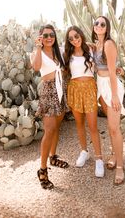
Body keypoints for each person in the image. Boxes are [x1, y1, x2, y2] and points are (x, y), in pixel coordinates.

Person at [30, 24, 69, 190]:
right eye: (45, 35)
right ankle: (43, 169)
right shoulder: (37, 52)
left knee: (57, 126)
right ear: (40, 37)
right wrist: (38, 47)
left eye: (51, 35)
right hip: (48, 91)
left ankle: (53, 156)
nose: (48, 38)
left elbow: (71, 54)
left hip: (60, 88)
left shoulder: (58, 50)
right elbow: (36, 67)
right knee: (50, 129)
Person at [64, 25, 104, 178]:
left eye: (76, 36)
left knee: (93, 126)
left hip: (89, 89)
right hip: (74, 89)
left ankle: (99, 159)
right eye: (71, 38)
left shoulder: (91, 49)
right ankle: (84, 151)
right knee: (79, 123)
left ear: (81, 35)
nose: (75, 40)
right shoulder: (67, 54)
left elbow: (104, 57)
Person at [92, 16, 125, 185]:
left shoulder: (108, 44)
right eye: (96, 23)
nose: (99, 26)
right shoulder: (96, 44)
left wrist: (114, 95)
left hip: (110, 87)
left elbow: (112, 72)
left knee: (114, 128)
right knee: (110, 125)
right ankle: (114, 154)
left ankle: (120, 167)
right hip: (101, 85)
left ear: (107, 27)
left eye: (102, 24)